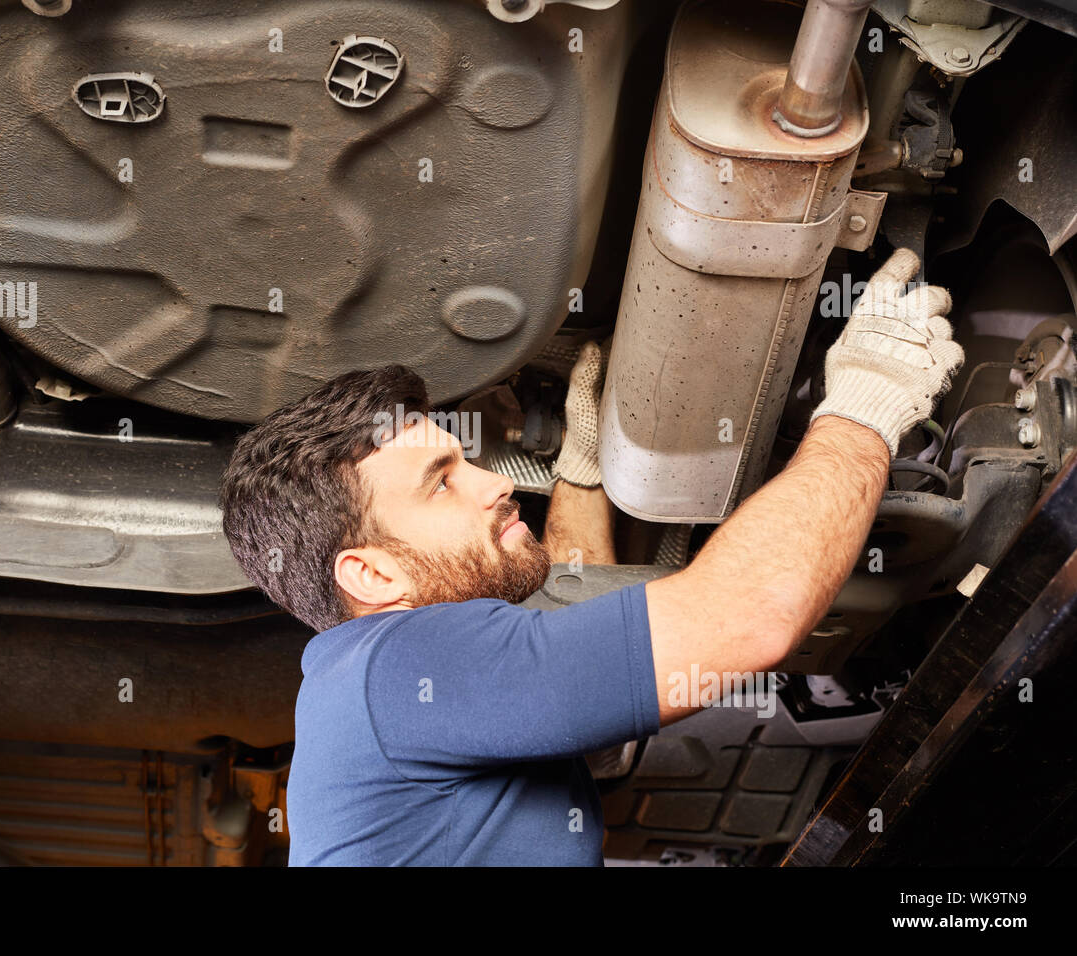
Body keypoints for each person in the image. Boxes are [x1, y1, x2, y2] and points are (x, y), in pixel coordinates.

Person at [220, 248, 963, 865]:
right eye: (441, 483)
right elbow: (747, 619)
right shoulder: (398, 667)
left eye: (464, 459)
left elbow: (575, 615)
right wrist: (867, 401)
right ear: (373, 574)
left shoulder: (377, 689)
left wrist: (581, 469)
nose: (492, 482)